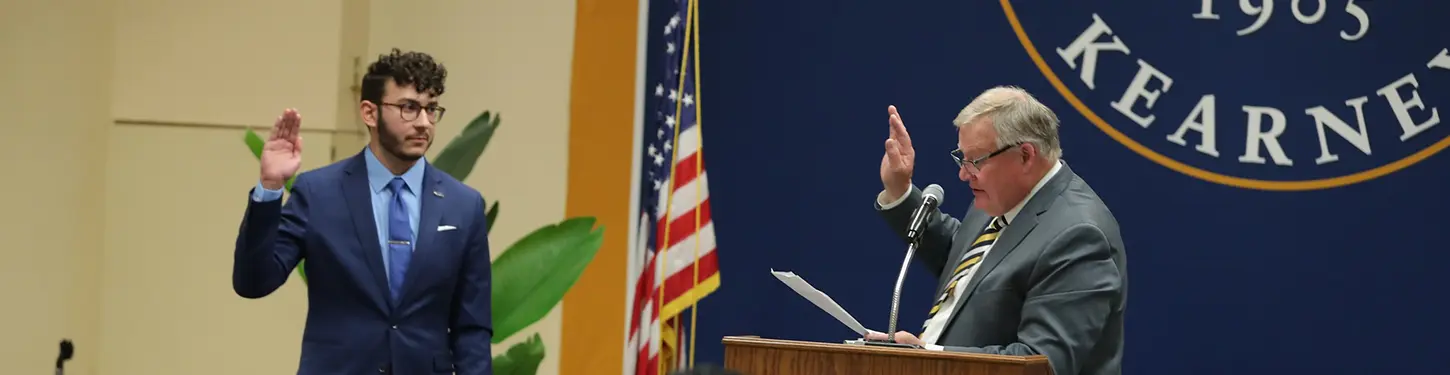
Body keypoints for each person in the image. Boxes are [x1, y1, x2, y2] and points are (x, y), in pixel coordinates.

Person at [232, 48, 493, 375]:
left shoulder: (463, 205)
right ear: (370, 113)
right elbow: (253, 282)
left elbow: (473, 329)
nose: (424, 123)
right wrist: (270, 187)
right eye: (409, 108)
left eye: (431, 109)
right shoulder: (319, 193)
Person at [864, 86, 1126, 375]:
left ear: (1026, 156)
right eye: (960, 158)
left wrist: (927, 358)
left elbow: (1042, 363)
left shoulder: (1079, 236)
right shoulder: (999, 196)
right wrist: (899, 190)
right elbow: (967, 262)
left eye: (974, 161)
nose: (963, 174)